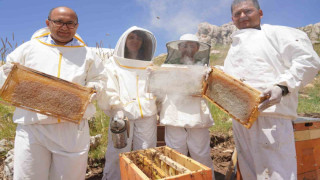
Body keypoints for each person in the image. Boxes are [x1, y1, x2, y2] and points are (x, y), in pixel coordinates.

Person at [0, 6, 108, 180]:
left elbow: (101, 79)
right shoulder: (29, 48)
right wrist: (9, 75)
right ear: (48, 23)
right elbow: (7, 72)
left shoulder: (89, 54)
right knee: (28, 176)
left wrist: (92, 90)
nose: (64, 27)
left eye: (70, 23)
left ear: (77, 26)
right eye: (59, 22)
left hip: (72, 128)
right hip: (32, 125)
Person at [224, 0, 320, 179]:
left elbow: (308, 60)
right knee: (250, 172)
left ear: (260, 13)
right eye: (237, 14)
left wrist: (282, 86)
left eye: (247, 11)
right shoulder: (233, 48)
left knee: (276, 174)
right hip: (241, 119)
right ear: (232, 19)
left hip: (272, 116)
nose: (242, 16)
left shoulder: (278, 33)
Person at [156, 34, 215, 179]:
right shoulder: (167, 66)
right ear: (179, 47)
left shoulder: (205, 68)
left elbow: (213, 91)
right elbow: (159, 90)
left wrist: (211, 77)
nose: (188, 48)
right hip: (173, 113)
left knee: (201, 153)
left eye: (192, 45)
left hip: (197, 115)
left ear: (198, 48)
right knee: (175, 153)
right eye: (184, 45)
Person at [102, 26, 157, 180]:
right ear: (124, 40)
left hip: (147, 115)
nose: (135, 40)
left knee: (146, 152)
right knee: (116, 153)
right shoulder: (112, 64)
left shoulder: (149, 65)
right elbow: (109, 88)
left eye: (138, 38)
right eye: (131, 37)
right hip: (121, 115)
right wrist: (116, 109)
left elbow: (157, 89)